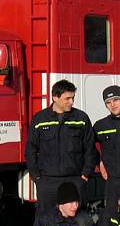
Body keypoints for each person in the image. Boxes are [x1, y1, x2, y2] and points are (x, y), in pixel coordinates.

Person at [25, 79, 98, 215]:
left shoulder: (81, 118)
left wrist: (85, 175)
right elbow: (30, 150)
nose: (71, 102)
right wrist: (37, 178)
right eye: (67, 98)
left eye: (72, 98)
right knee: (46, 219)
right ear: (55, 97)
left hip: (75, 180)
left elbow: (90, 149)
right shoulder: (40, 119)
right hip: (48, 182)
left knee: (77, 220)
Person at [93, 85, 120, 212]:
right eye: (108, 102)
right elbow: (88, 146)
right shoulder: (101, 126)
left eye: (116, 100)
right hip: (113, 181)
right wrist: (99, 161)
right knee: (112, 216)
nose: (112, 104)